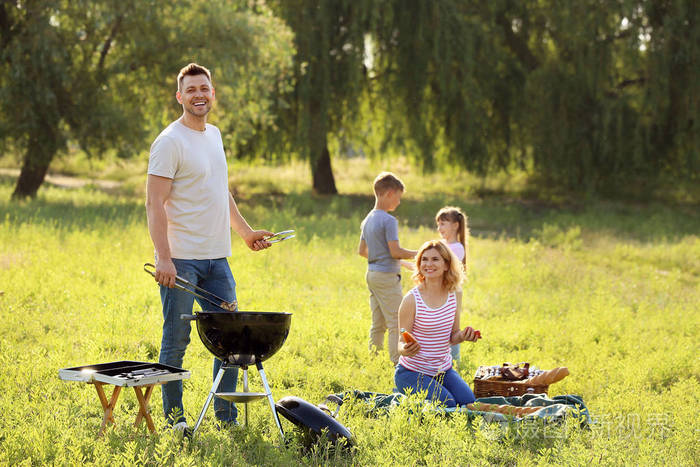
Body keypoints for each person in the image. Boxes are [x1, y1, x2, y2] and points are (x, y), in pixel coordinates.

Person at [145, 63, 272, 430]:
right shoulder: (168, 142)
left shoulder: (214, 134)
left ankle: (225, 417)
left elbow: (220, 191)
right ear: (180, 96)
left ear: (212, 93)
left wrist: (245, 232)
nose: (199, 95)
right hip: (181, 261)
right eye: (191, 90)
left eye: (204, 88)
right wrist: (163, 257)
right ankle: (175, 421)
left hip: (218, 259)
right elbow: (154, 203)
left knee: (233, 338)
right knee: (177, 339)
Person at [394, 240, 479, 407]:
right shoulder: (411, 300)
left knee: (469, 404)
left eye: (435, 259)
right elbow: (400, 343)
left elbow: (453, 337)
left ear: (446, 265)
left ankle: (425, 395)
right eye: (424, 259)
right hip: (411, 373)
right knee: (448, 405)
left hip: (443, 371)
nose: (428, 264)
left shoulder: (454, 294)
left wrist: (463, 335)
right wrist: (406, 349)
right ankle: (405, 398)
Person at [358, 172, 417, 365]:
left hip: (372, 274)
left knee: (378, 323)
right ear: (390, 193)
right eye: (398, 198)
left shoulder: (367, 219)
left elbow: (362, 251)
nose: (399, 202)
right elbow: (395, 251)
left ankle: (373, 359)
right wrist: (421, 254)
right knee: (396, 322)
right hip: (386, 276)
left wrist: (381, 256)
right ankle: (397, 363)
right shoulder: (388, 220)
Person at [435, 206, 469, 364]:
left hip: (451, 291)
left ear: (455, 225)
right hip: (440, 290)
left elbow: (439, 268)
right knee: (439, 324)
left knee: (451, 325)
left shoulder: (457, 248)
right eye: (438, 224)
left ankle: (454, 360)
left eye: (443, 224)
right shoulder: (441, 244)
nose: (439, 228)